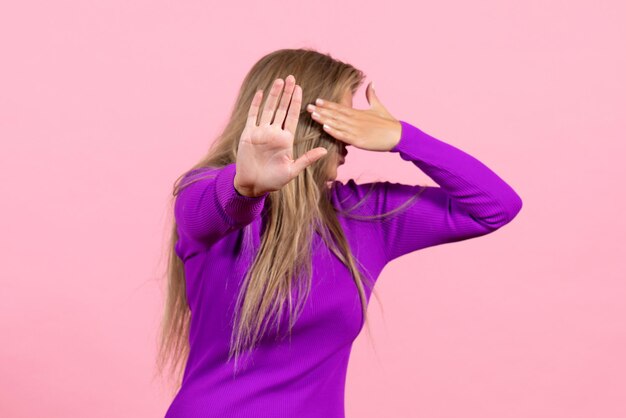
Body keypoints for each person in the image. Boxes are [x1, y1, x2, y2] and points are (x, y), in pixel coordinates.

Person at [157, 48, 523, 418]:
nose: (350, 141)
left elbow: (495, 206)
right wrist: (245, 187)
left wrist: (403, 137)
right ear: (306, 124)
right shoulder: (205, 193)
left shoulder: (364, 216)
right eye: (341, 120)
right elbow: (211, 210)